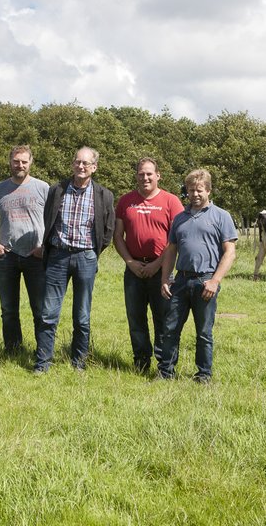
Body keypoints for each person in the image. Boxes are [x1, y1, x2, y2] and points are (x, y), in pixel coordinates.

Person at [33, 146, 115, 373]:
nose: (80, 166)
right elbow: (47, 219)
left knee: (82, 315)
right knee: (49, 313)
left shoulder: (104, 195)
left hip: (86, 257)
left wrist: (92, 252)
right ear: (73, 164)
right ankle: (43, 363)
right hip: (58, 255)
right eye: (77, 162)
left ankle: (78, 363)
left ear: (94, 168)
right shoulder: (57, 190)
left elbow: (108, 231)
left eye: (86, 163)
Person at [158, 168, 238, 383]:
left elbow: (230, 252)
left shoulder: (221, 216)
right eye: (191, 190)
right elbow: (171, 249)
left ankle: (203, 375)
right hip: (181, 280)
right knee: (170, 329)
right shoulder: (179, 218)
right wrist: (166, 278)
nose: (194, 194)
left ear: (209, 191)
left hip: (206, 280)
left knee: (203, 332)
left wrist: (215, 281)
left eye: (199, 190)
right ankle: (165, 372)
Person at [113, 157, 184, 373]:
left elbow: (176, 240)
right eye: (141, 174)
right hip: (133, 269)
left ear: (158, 175)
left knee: (163, 319)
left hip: (162, 271)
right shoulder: (126, 201)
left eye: (149, 174)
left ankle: (165, 366)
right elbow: (117, 236)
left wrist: (157, 265)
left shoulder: (171, 202)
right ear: (136, 176)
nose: (145, 178)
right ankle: (141, 363)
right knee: (136, 319)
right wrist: (130, 262)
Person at [0, 145, 49, 353]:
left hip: (36, 256)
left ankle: (43, 350)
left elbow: (55, 220)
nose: (20, 165)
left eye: (24, 161)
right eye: (16, 161)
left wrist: (44, 248)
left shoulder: (43, 188)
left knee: (40, 310)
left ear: (30, 163)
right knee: (8, 310)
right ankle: (13, 349)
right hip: (7, 256)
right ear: (10, 162)